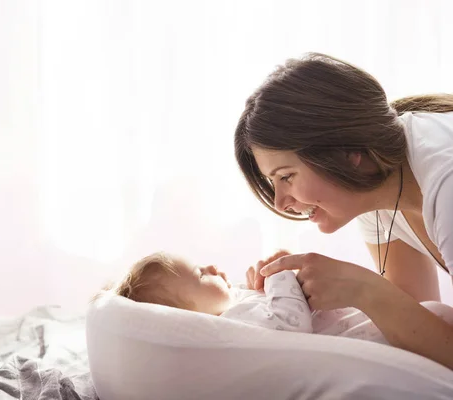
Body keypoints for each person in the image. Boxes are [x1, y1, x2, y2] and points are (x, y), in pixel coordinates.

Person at [233, 52, 453, 369]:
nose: (280, 202)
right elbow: (419, 317)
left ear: (347, 153)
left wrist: (363, 288)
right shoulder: (374, 188)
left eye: (286, 177)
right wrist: (301, 296)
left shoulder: (445, 182)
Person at [111, 251, 453, 344]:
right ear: (188, 313)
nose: (213, 265)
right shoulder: (232, 324)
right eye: (201, 273)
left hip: (403, 323)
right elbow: (290, 326)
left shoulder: (239, 308)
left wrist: (265, 286)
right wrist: (277, 279)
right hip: (386, 339)